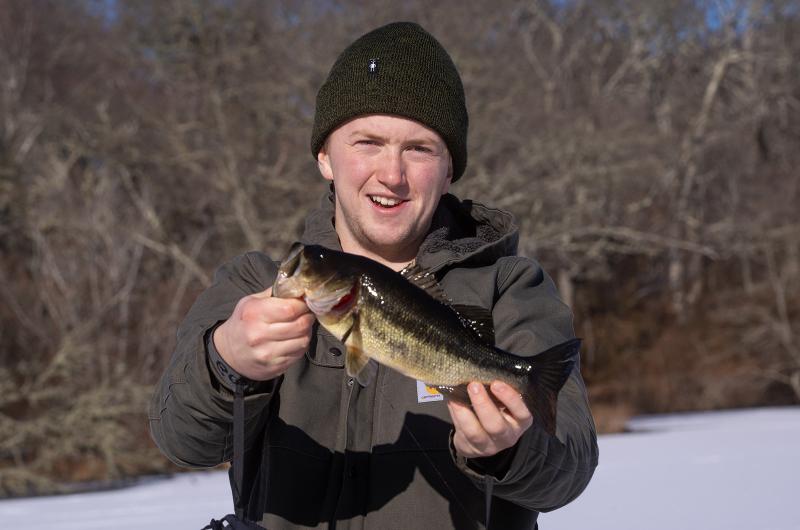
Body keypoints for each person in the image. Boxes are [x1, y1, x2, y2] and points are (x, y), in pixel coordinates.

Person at [149, 21, 598, 529]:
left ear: (449, 169)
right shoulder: (252, 286)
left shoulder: (508, 289)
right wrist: (226, 361)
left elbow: (570, 470)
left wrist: (507, 450)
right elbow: (181, 441)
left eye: (419, 148)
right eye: (367, 142)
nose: (392, 174)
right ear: (325, 156)